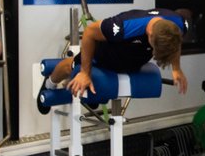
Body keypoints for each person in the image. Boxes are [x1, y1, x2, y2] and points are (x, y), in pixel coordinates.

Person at [44, 7, 190, 100]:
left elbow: (175, 43)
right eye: (154, 49)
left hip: (134, 59)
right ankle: (49, 83)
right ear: (150, 35)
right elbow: (89, 33)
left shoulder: (178, 24)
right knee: (69, 67)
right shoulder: (123, 26)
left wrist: (176, 69)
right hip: (104, 54)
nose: (153, 52)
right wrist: (84, 72)